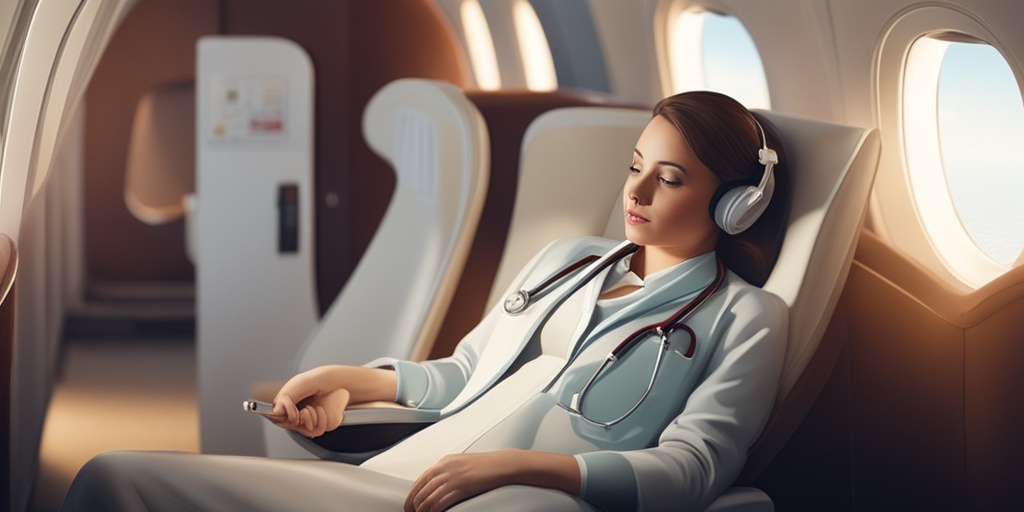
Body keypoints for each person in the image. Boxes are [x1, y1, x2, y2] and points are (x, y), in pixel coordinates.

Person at [62, 90, 790, 512]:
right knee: (113, 477)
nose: (634, 192)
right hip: (416, 477)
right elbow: (463, 376)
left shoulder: (743, 319)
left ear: (732, 207)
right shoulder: (568, 261)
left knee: (118, 483)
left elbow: (694, 469)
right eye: (635, 167)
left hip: (519, 502)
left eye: (670, 178)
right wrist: (353, 382)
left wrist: (517, 468)